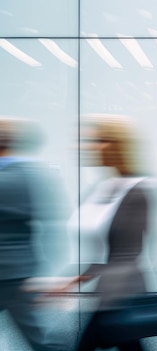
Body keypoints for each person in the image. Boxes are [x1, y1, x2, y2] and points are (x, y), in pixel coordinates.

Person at [59, 114, 157, 351]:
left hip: (122, 293)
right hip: (107, 293)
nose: (90, 146)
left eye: (99, 140)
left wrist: (79, 280)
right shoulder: (103, 188)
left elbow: (127, 253)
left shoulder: (138, 191)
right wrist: (75, 279)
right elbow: (101, 248)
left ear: (118, 145)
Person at [0, 117, 66, 351]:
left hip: (9, 273)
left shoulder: (8, 177)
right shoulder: (29, 174)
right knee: (38, 338)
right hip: (20, 271)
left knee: (40, 341)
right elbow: (49, 223)